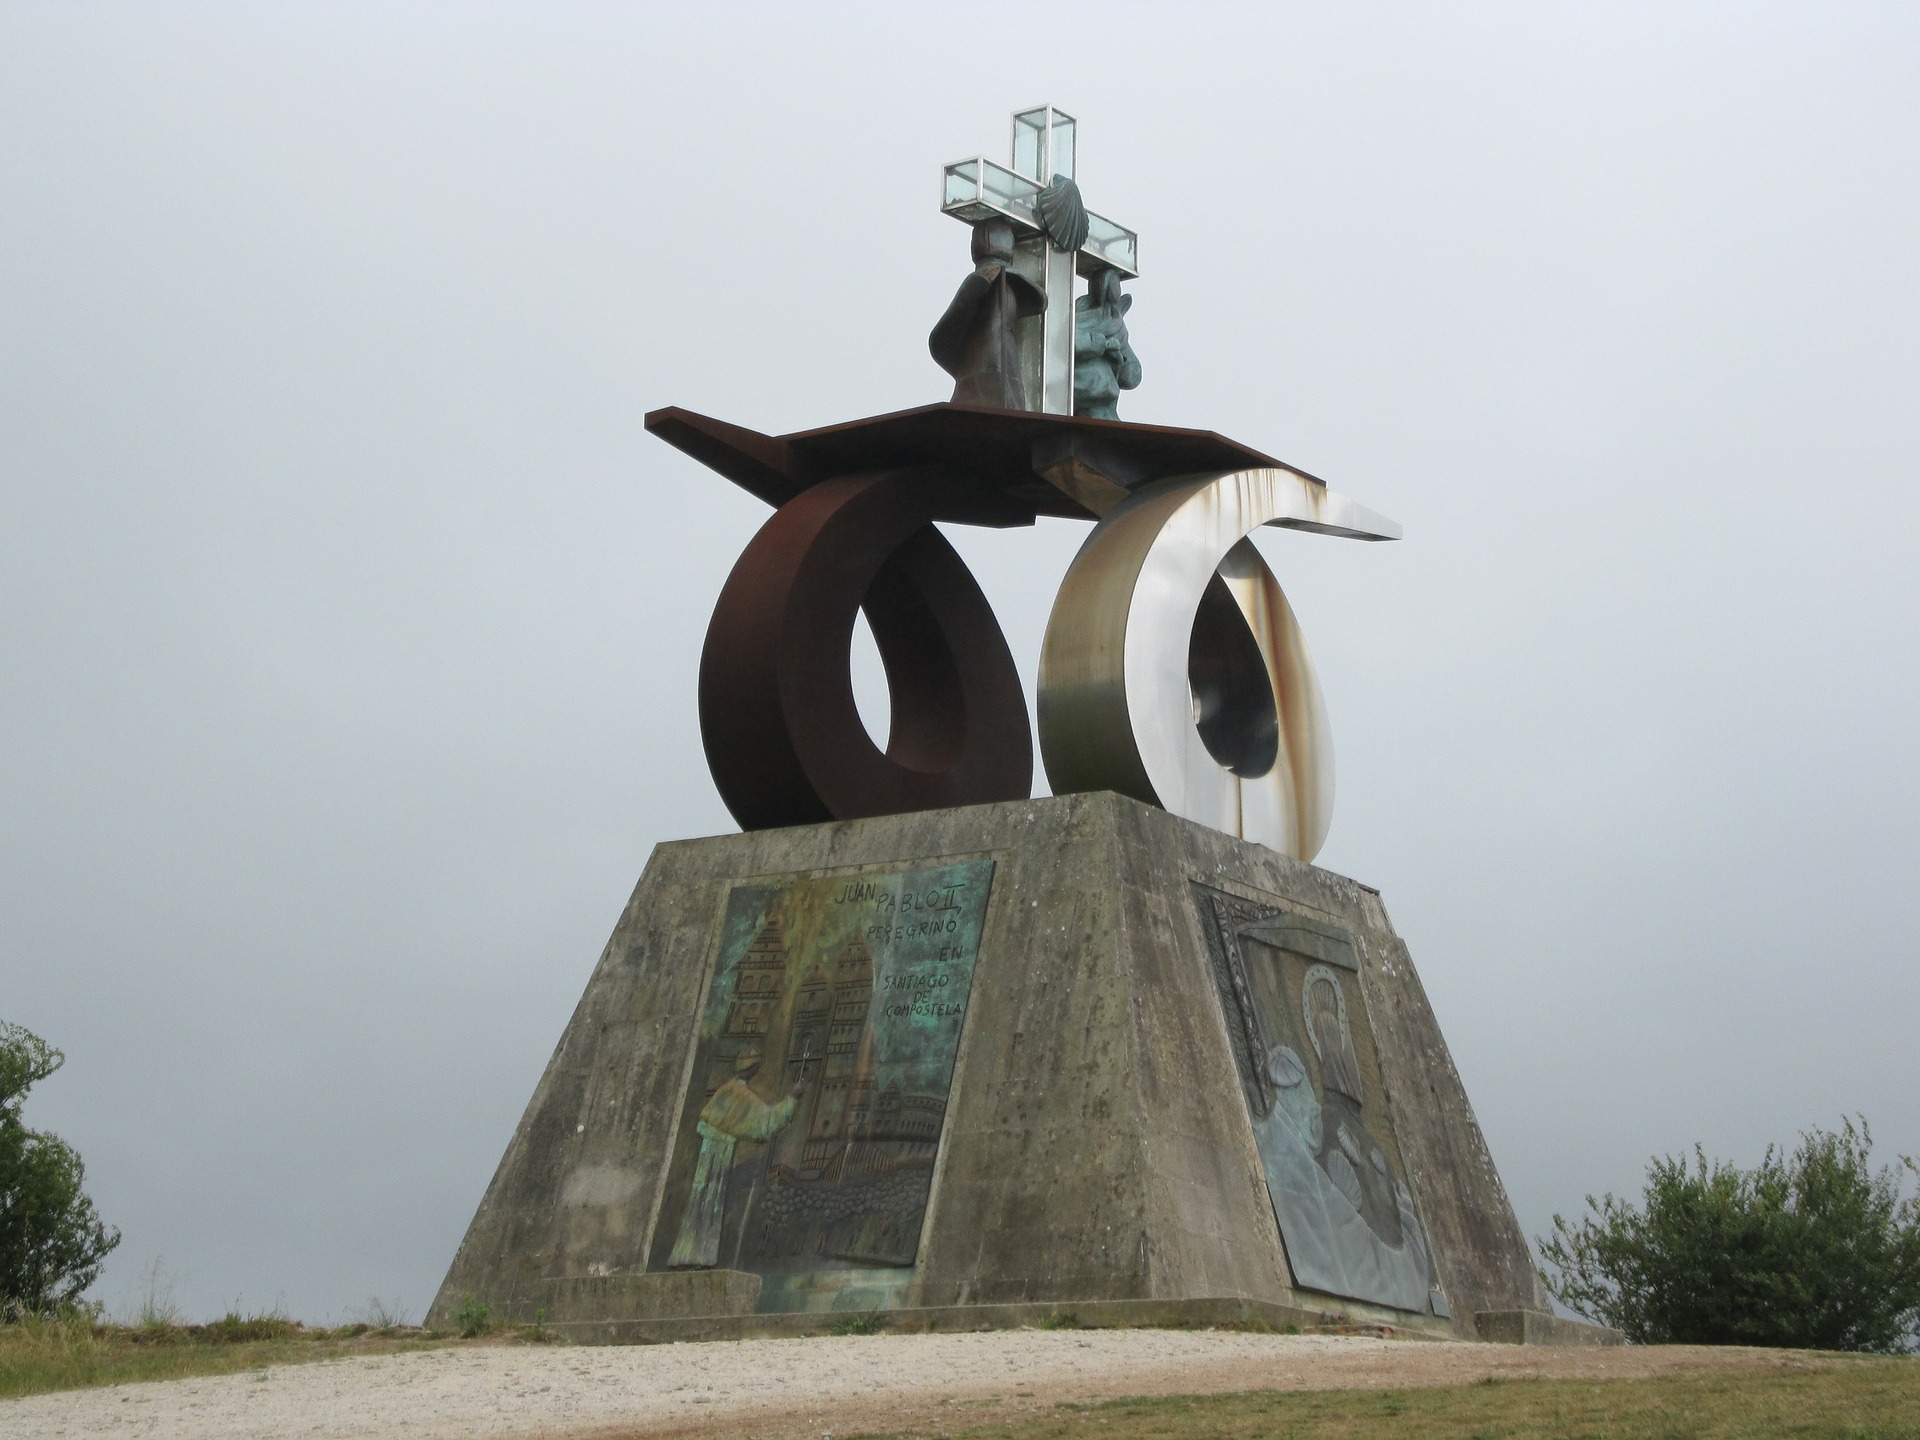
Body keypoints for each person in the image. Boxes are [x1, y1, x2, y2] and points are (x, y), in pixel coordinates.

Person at [667, 1050, 802, 1269]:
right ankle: (698, 1255)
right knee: (711, 1201)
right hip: (718, 1154)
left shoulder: (726, 1091)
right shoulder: (740, 1096)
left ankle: (690, 1253)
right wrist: (792, 1098)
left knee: (702, 1200)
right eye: (755, 1067)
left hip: (711, 1151)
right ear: (751, 1069)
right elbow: (766, 1124)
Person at [929, 219, 1045, 409]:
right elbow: (945, 334)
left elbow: (942, 338)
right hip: (987, 367)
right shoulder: (983, 283)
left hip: (1001, 366)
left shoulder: (1002, 283)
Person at [1072, 268, 1141, 419]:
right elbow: (1072, 342)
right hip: (1088, 391)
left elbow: (1132, 374)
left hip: (1108, 399)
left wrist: (1123, 363)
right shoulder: (1078, 316)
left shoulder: (1116, 324)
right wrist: (1104, 344)